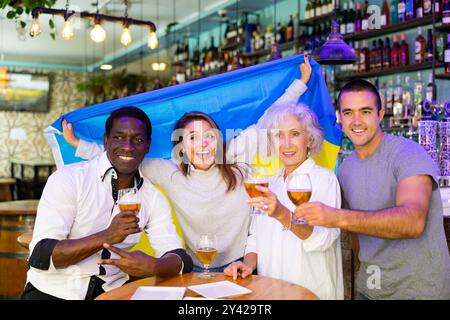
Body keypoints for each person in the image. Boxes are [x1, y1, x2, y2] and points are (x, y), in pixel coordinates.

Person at [62, 54, 313, 273]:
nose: (203, 143)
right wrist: (78, 144)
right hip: (194, 267)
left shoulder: (235, 155)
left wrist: (300, 84)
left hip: (242, 265)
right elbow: (125, 155)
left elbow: (267, 121)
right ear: (182, 147)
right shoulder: (169, 173)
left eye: (208, 136)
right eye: (193, 137)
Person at [295, 79, 450, 300]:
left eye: (365, 111)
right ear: (340, 117)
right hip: (370, 290)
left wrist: (337, 217)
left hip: (418, 291)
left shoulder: (408, 154)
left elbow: (413, 222)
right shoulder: (346, 168)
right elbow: (356, 238)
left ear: (380, 113)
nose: (356, 121)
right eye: (348, 112)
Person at [23, 106, 193, 300]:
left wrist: (155, 265)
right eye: (119, 137)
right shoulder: (68, 178)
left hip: (114, 291)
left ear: (147, 146)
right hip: (53, 291)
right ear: (106, 140)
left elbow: (180, 258)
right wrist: (107, 235)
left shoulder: (151, 196)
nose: (128, 146)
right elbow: (41, 255)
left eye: (137, 140)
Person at [224, 102, 344, 300]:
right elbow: (254, 239)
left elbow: (323, 240)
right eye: (279, 135)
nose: (286, 144)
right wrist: (248, 265)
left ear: (309, 139)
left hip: (311, 292)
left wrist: (281, 214)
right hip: (270, 292)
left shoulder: (324, 179)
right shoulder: (269, 183)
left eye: (295, 134)